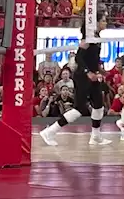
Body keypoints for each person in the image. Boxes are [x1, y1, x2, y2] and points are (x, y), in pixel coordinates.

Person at [39, 17, 111, 147]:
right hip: (82, 78)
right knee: (79, 109)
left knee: (99, 105)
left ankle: (95, 136)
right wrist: (87, 72)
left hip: (93, 76)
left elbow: (92, 58)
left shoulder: (96, 37)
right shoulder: (87, 38)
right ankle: (50, 131)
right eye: (103, 20)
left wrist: (100, 70)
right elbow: (79, 58)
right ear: (96, 22)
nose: (106, 22)